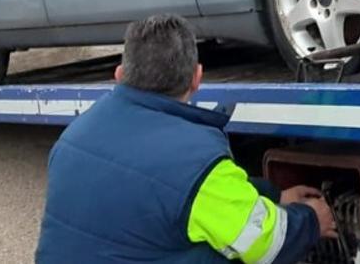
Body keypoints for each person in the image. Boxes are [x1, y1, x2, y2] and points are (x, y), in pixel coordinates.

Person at [36, 14, 336, 263]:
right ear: (197, 77)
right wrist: (310, 220)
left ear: (119, 74)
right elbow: (264, 242)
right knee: (233, 250)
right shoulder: (195, 159)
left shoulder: (74, 135)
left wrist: (274, 195)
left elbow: (168, 191)